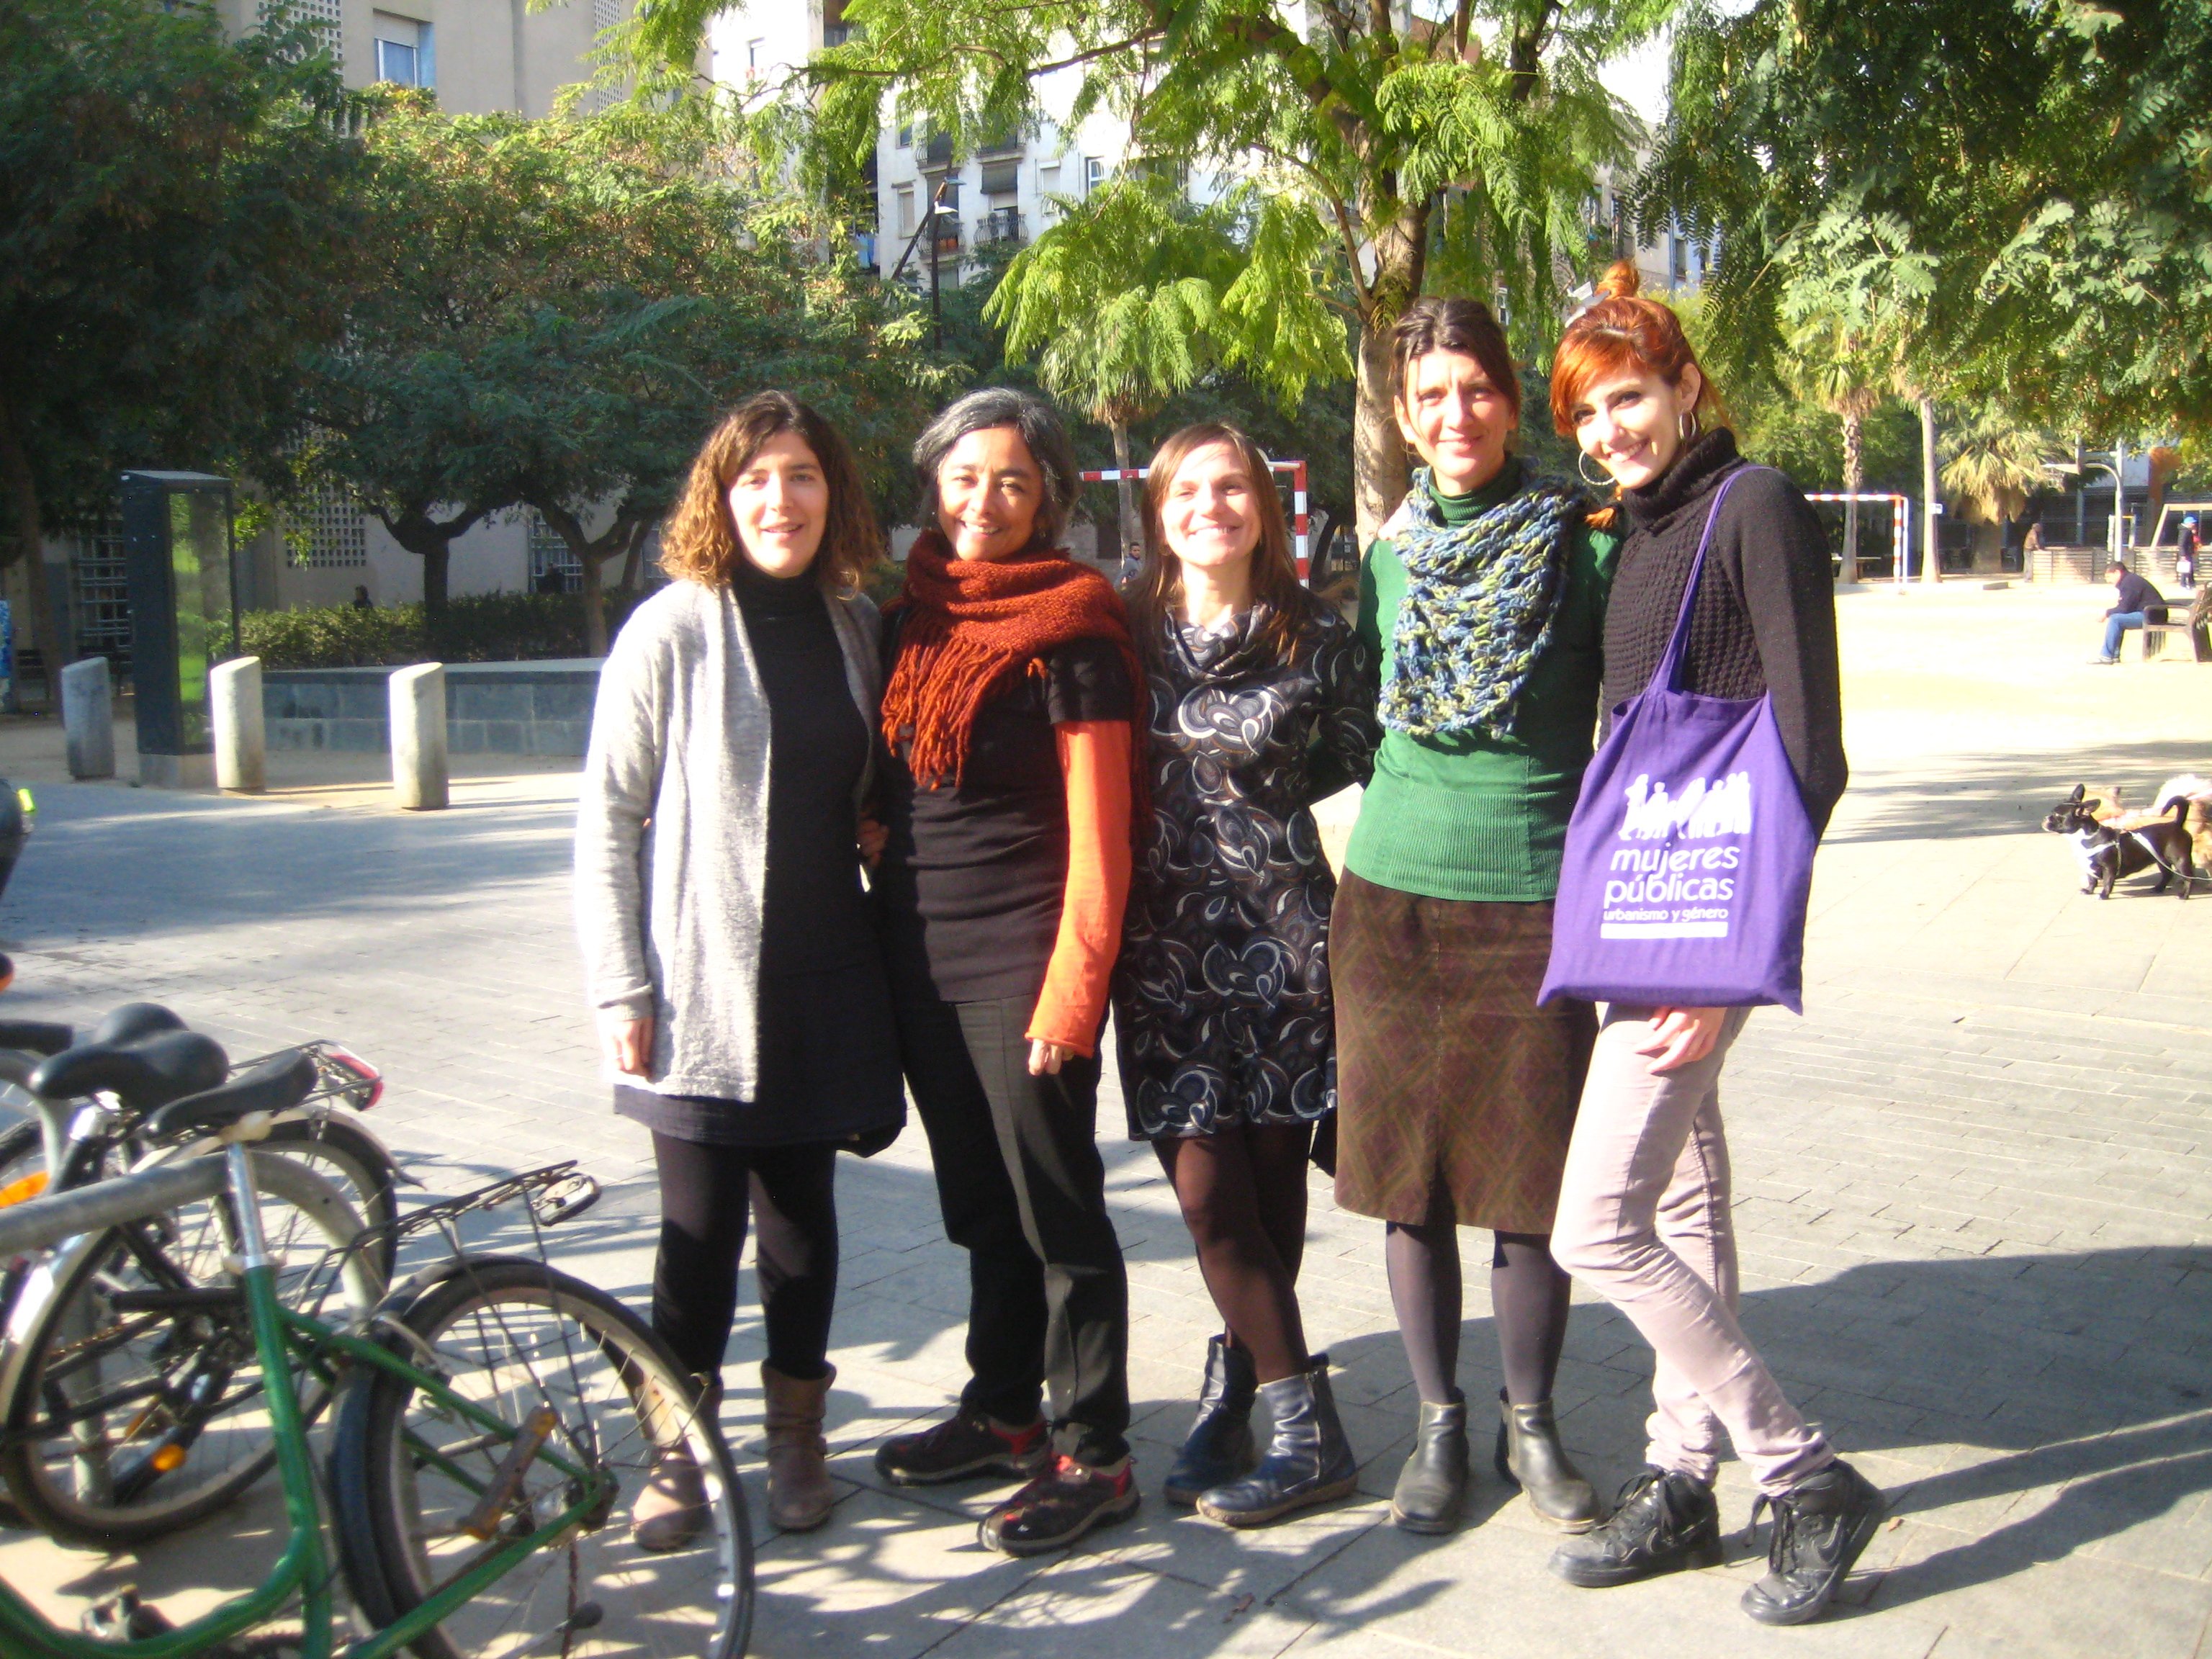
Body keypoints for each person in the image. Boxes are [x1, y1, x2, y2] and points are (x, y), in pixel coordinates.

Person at [1544, 260, 1881, 1627]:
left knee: (1593, 1225)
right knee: (1681, 1206)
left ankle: (1798, 1472)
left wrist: (1735, 975)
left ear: (1685, 385)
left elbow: (1811, 751)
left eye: (1627, 397)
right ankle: (1680, 1478)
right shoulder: (1640, 523)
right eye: (1586, 413)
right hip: (1647, 914)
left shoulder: (1751, 506)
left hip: (1697, 941)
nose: (1608, 429)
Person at [575, 390, 905, 1543]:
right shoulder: (669, 629)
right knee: (696, 1232)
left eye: (803, 474)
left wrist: (874, 820)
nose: (782, 498)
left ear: (834, 493)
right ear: (721, 495)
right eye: (756, 477)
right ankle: (676, 1449)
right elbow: (607, 821)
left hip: (823, 967)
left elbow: (870, 775)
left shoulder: (853, 623)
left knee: (801, 1224)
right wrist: (621, 984)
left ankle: (798, 1440)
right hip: (701, 978)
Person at [1332, 295, 1618, 1537]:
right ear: (1403, 418)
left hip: (1535, 896)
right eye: (1430, 395)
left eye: (1477, 388)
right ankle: (1438, 1421)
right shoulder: (1388, 552)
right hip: (1390, 900)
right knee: (1409, 1181)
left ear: (1512, 398)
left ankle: (1531, 1418)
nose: (1456, 413)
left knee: (1528, 1187)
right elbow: (1359, 707)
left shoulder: (1582, 541)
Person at [869, 387, 1146, 1555]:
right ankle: (1002, 1408)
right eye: (966, 475)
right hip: (921, 955)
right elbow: (891, 790)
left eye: (1014, 482)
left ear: (1049, 502)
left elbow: (1103, 835)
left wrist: (1073, 995)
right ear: (934, 481)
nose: (984, 501)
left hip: (1026, 959)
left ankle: (1096, 1449)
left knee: (1058, 1213)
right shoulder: (908, 616)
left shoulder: (1078, 630)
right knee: (982, 1205)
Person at [1112, 423, 1381, 1527]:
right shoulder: (1122, 632)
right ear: (1158, 511)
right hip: (1162, 955)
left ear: (1266, 509)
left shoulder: (1319, 636)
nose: (1211, 505)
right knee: (1210, 1201)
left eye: (1233, 487)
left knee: (1269, 1202)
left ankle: (1239, 1386)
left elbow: (1362, 763)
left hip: (1285, 951)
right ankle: (1308, 1426)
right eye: (1188, 489)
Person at [2091, 559, 2169, 663]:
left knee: (2116, 619)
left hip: (2152, 615)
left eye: (2109, 577)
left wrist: (2107, 613)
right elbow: (2126, 607)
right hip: (2154, 613)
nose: (2108, 581)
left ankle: (2106, 656)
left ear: (2117, 572)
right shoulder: (2130, 580)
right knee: (2118, 618)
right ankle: (2114, 655)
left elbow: (2124, 608)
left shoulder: (2129, 583)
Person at [2176, 515, 2198, 591]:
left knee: (2189, 569)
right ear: (2189, 523)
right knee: (2185, 569)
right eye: (2193, 523)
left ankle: (2191, 584)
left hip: (2187, 552)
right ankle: (2184, 584)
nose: (2194, 525)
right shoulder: (2185, 531)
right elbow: (2181, 544)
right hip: (2185, 554)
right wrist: (2183, 555)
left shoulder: (2187, 530)